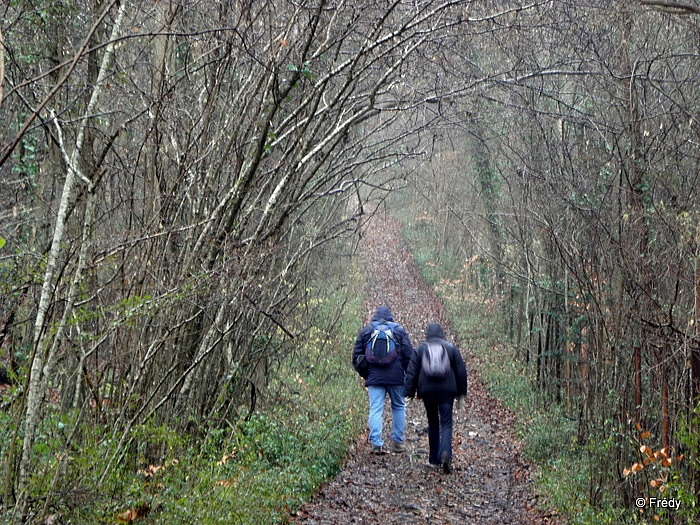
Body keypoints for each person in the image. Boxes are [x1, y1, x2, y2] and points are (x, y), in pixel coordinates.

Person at [404, 323, 467, 473]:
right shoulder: (450, 349)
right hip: (447, 391)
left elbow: (412, 372)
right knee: (446, 423)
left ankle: (434, 458)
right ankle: (445, 452)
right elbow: (461, 372)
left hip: (428, 392)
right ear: (442, 333)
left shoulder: (420, 350)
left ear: (428, 334)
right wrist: (461, 394)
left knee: (433, 423)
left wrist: (409, 394)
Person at [353, 305, 414, 454]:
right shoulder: (398, 331)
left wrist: (366, 374)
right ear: (390, 317)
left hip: (374, 378)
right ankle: (398, 442)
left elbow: (356, 357)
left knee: (376, 409)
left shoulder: (367, 331)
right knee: (398, 407)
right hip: (396, 377)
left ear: (375, 316)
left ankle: (376, 443)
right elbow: (409, 356)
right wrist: (406, 375)